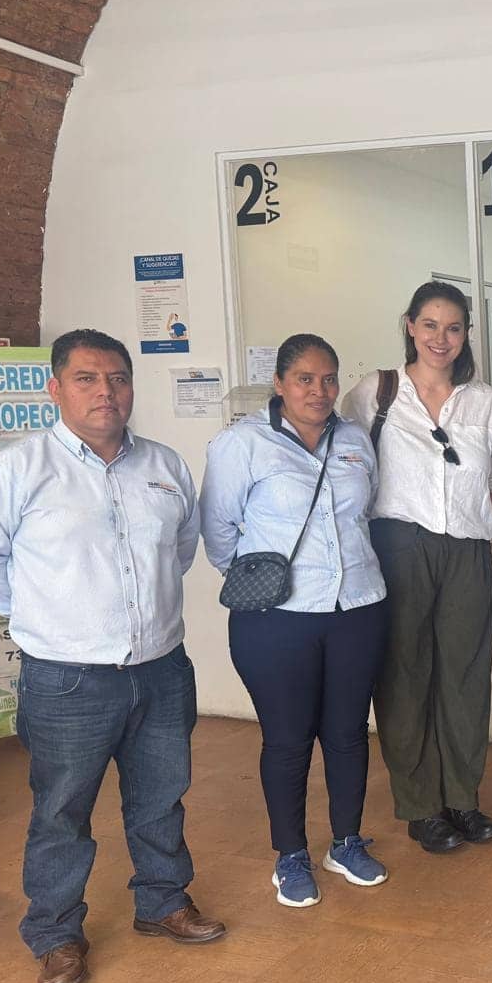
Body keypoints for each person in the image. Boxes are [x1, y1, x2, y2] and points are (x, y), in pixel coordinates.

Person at [0, 328, 225, 983]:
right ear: (55, 388)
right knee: (61, 810)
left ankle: (163, 902)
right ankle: (56, 934)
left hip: (161, 668)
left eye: (118, 378)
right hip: (67, 679)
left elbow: (180, 550)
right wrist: (45, 615)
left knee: (161, 796)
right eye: (87, 378)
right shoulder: (14, 471)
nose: (106, 392)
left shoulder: (164, 465)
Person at [202, 333, 389, 907]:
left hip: (357, 606)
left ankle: (346, 842)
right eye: (305, 379)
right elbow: (218, 531)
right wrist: (264, 580)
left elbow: (366, 510)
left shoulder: (354, 439)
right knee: (287, 739)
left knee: (348, 733)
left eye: (329, 379)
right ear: (280, 383)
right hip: (276, 617)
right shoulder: (242, 443)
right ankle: (290, 855)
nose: (319, 390)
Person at [340, 281, 492, 853]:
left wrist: (458, 518)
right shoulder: (375, 393)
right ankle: (421, 806)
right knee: (404, 675)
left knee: (466, 675)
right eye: (431, 325)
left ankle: (463, 798)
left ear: (467, 334)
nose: (442, 338)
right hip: (397, 546)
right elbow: (347, 470)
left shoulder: (484, 401)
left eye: (454, 327)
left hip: (466, 550)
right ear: (411, 326)